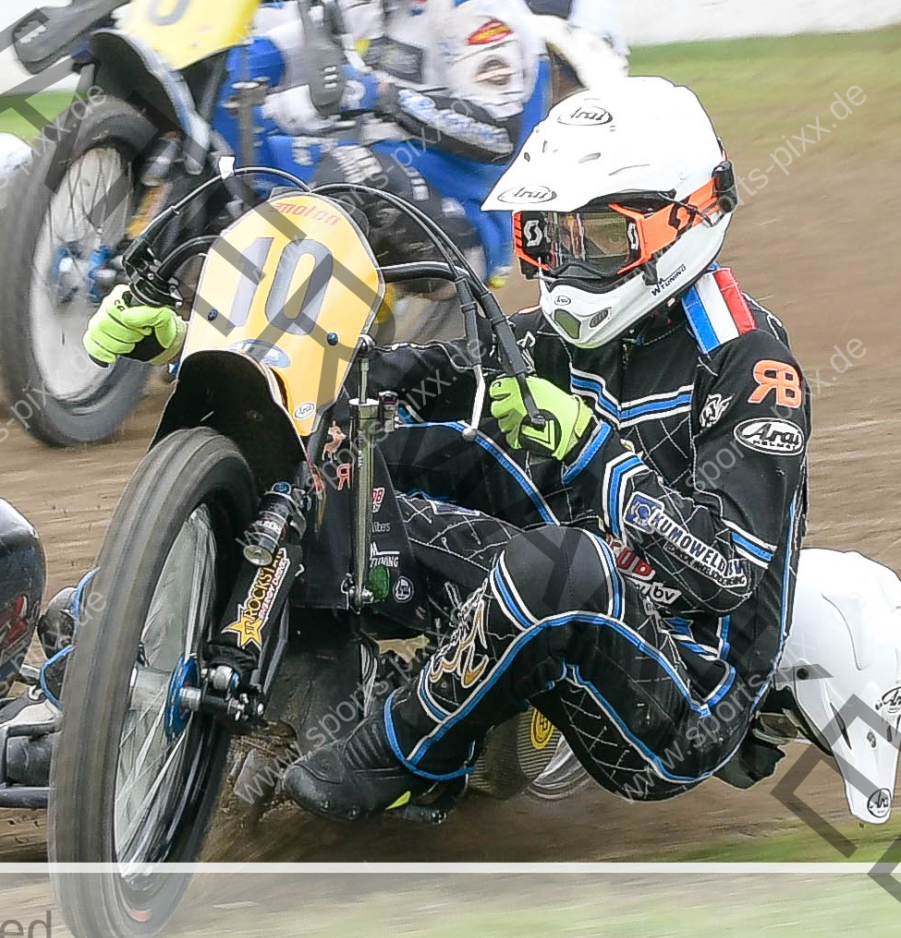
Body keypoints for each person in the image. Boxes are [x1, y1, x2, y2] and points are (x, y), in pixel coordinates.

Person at [84, 76, 812, 816]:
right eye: (547, 237)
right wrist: (202, 341)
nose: (565, 264)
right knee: (352, 444)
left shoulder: (752, 364)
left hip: (682, 692)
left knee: (561, 566)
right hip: (555, 614)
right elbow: (384, 381)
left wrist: (590, 448)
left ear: (685, 220)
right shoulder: (556, 337)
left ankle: (397, 755)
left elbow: (726, 571)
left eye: (595, 236)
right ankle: (141, 646)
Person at [248, 0, 552, 283]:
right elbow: (267, 51)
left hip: (468, 218)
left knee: (352, 170)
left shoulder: (473, 2)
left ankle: (298, 309)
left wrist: (380, 94)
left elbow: (496, 135)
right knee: (242, 163)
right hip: (380, 174)